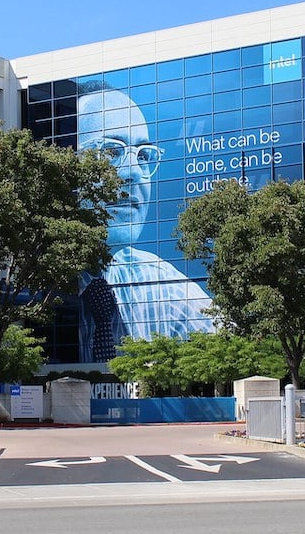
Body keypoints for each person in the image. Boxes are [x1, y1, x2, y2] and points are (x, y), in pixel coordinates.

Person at [76, 82, 213, 362]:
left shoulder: (167, 291)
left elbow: (239, 353)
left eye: (143, 155)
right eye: (110, 152)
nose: (134, 173)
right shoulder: (11, 285)